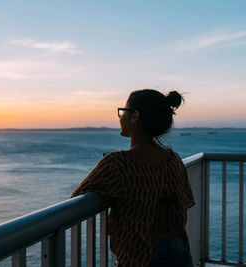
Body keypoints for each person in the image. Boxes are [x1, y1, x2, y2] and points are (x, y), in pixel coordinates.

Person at [71, 89, 195, 267]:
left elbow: (77, 201)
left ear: (135, 116)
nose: (120, 117)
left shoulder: (118, 163)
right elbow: (184, 202)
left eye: (123, 112)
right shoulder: (173, 159)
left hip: (141, 258)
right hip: (179, 252)